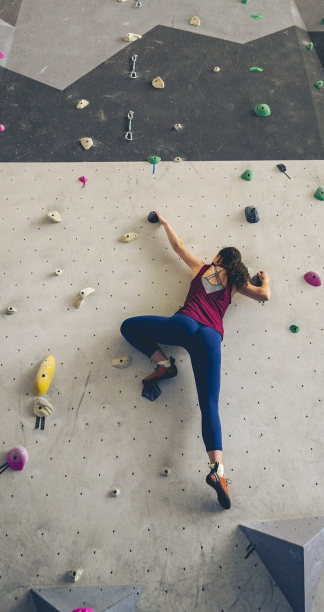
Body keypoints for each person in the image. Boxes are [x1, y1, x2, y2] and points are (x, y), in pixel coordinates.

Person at [120, 212, 271, 509]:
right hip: (211, 338)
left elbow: (177, 247)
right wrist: (266, 278)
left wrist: (164, 223)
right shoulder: (237, 285)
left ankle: (164, 364)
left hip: (185, 324)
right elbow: (265, 295)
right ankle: (218, 472)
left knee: (129, 326)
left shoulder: (202, 268)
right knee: (209, 406)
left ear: (218, 257)